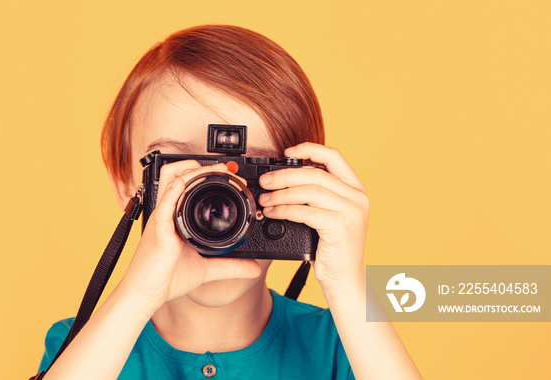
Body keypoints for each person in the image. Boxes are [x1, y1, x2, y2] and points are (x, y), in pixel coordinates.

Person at [34, 25, 422, 379]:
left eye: (255, 173)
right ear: (128, 186)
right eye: (180, 171)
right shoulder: (84, 348)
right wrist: (136, 296)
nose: (219, 201)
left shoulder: (349, 346)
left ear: (309, 183)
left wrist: (348, 286)